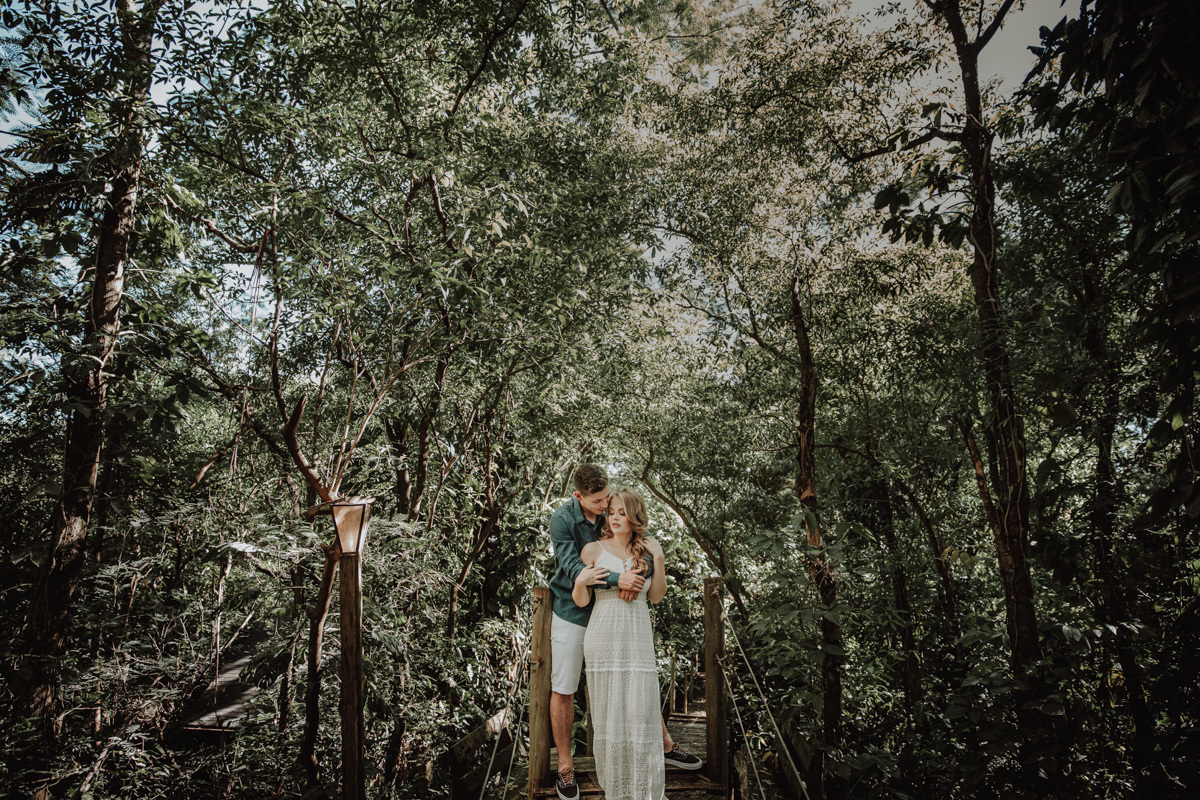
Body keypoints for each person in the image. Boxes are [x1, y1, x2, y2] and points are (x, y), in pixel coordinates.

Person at [549, 466, 701, 800]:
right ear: (578, 497)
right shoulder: (563, 521)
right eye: (601, 503)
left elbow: (649, 579)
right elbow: (575, 570)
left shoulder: (627, 529)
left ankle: (662, 747)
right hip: (574, 613)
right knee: (565, 686)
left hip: (626, 622)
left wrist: (650, 563)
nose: (607, 509)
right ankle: (566, 767)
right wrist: (621, 581)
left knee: (638, 688)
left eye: (611, 502)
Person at [572, 488, 682, 800]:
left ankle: (645, 791)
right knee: (609, 714)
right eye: (611, 512)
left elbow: (656, 596)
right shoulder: (593, 550)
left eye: (622, 512)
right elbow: (581, 601)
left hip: (637, 636)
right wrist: (580, 581)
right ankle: (617, 791)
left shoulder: (645, 551)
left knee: (640, 711)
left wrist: (658, 558)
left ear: (635, 516)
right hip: (603, 635)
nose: (615, 518)